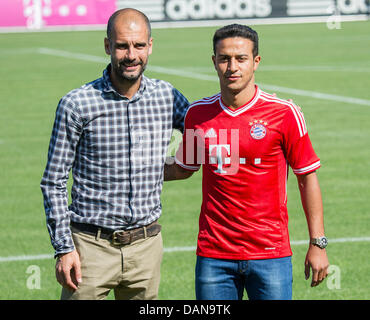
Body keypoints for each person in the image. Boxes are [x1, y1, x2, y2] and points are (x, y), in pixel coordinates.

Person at [164, 24, 329, 300]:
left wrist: (318, 243)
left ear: (256, 62)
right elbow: (183, 167)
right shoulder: (198, 114)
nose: (232, 67)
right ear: (214, 61)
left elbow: (306, 177)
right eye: (224, 58)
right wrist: (133, 169)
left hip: (270, 254)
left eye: (240, 58)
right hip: (214, 256)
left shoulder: (284, 114)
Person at [40, 8, 189, 300]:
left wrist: (169, 168)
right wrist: (64, 248)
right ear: (108, 46)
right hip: (89, 248)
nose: (131, 54)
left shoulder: (167, 96)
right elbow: (53, 181)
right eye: (122, 46)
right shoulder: (77, 104)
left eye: (139, 45)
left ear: (150, 46)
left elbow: (206, 127)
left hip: (146, 248)